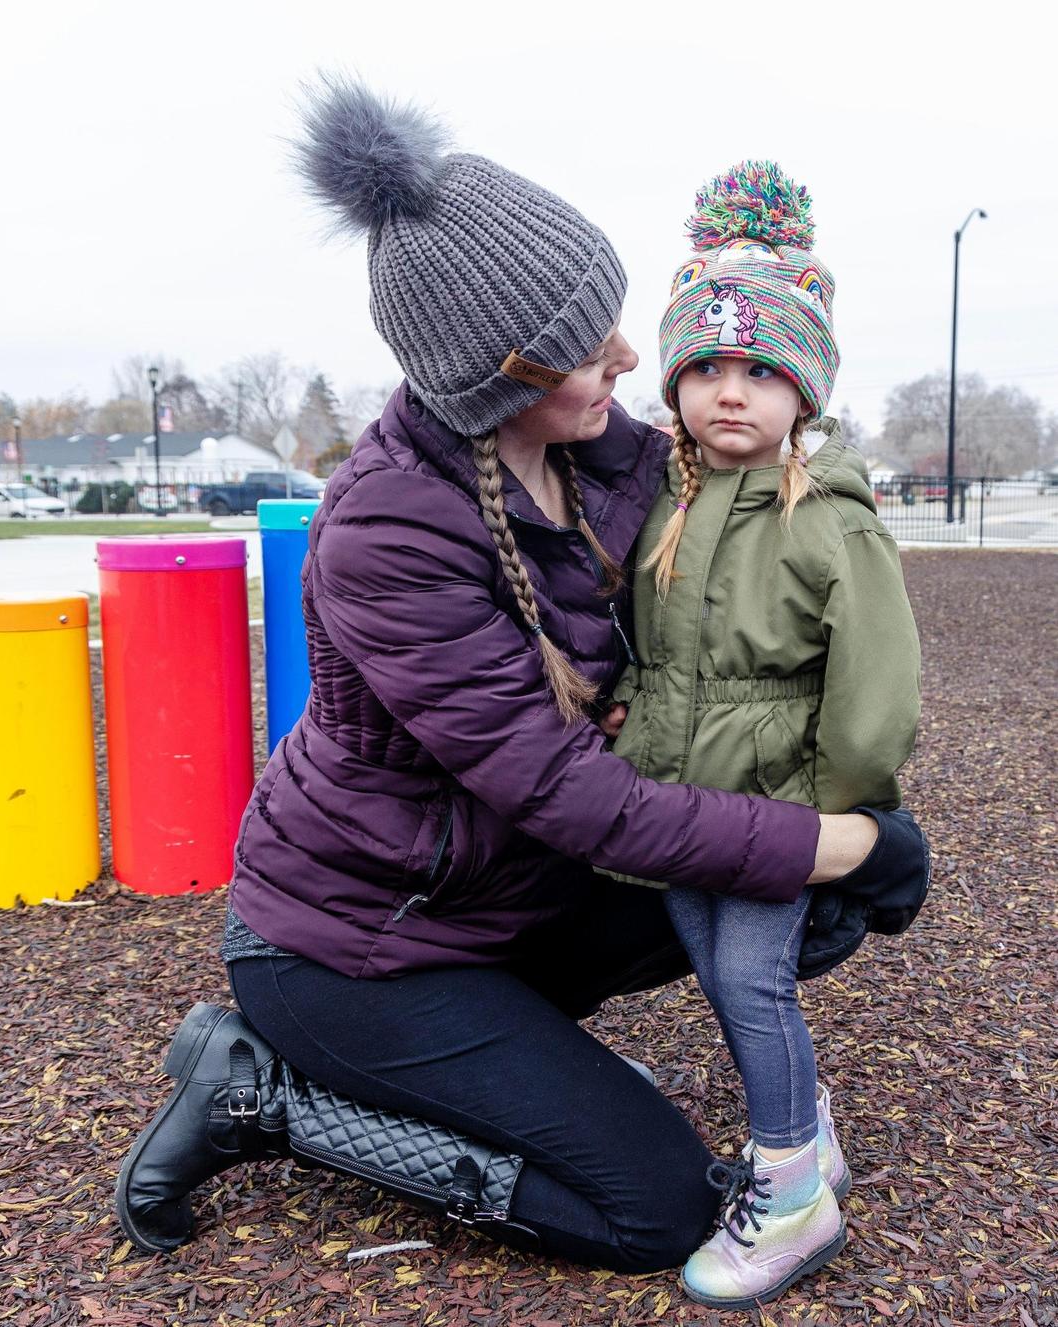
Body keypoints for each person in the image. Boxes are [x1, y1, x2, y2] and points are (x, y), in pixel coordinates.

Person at [115, 81, 928, 1275]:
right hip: (361, 943)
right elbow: (576, 797)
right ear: (501, 377)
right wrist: (843, 839)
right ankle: (269, 1095)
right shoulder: (388, 536)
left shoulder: (600, 449)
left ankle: (512, 1061)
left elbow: (766, 524)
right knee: (654, 1207)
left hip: (509, 898)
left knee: (813, 905)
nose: (629, 358)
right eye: (586, 342)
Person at [603, 161, 922, 1308]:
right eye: (707, 368)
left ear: (805, 389)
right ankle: (808, 1137)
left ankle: (791, 1193)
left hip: (777, 810)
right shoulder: (667, 500)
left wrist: (831, 812)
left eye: (761, 370)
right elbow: (646, 642)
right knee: (715, 965)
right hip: (681, 806)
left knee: (751, 982)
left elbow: (876, 691)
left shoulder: (827, 520)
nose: (730, 393)